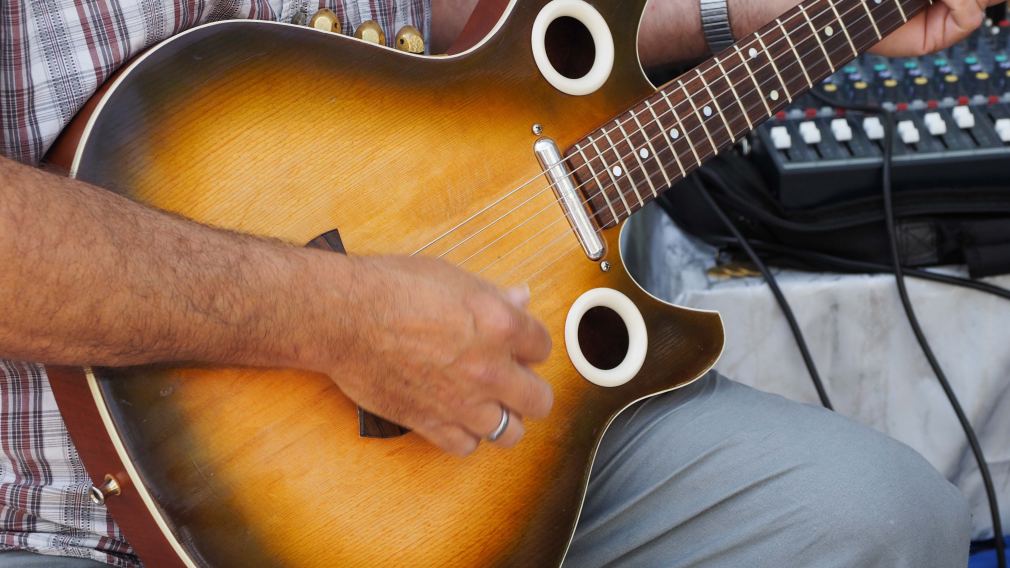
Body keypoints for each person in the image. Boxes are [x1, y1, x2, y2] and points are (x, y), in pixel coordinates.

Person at [0, 0, 997, 566]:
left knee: (876, 515)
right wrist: (335, 318)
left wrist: (758, 17)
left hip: (478, 445)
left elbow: (453, 24)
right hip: (57, 514)